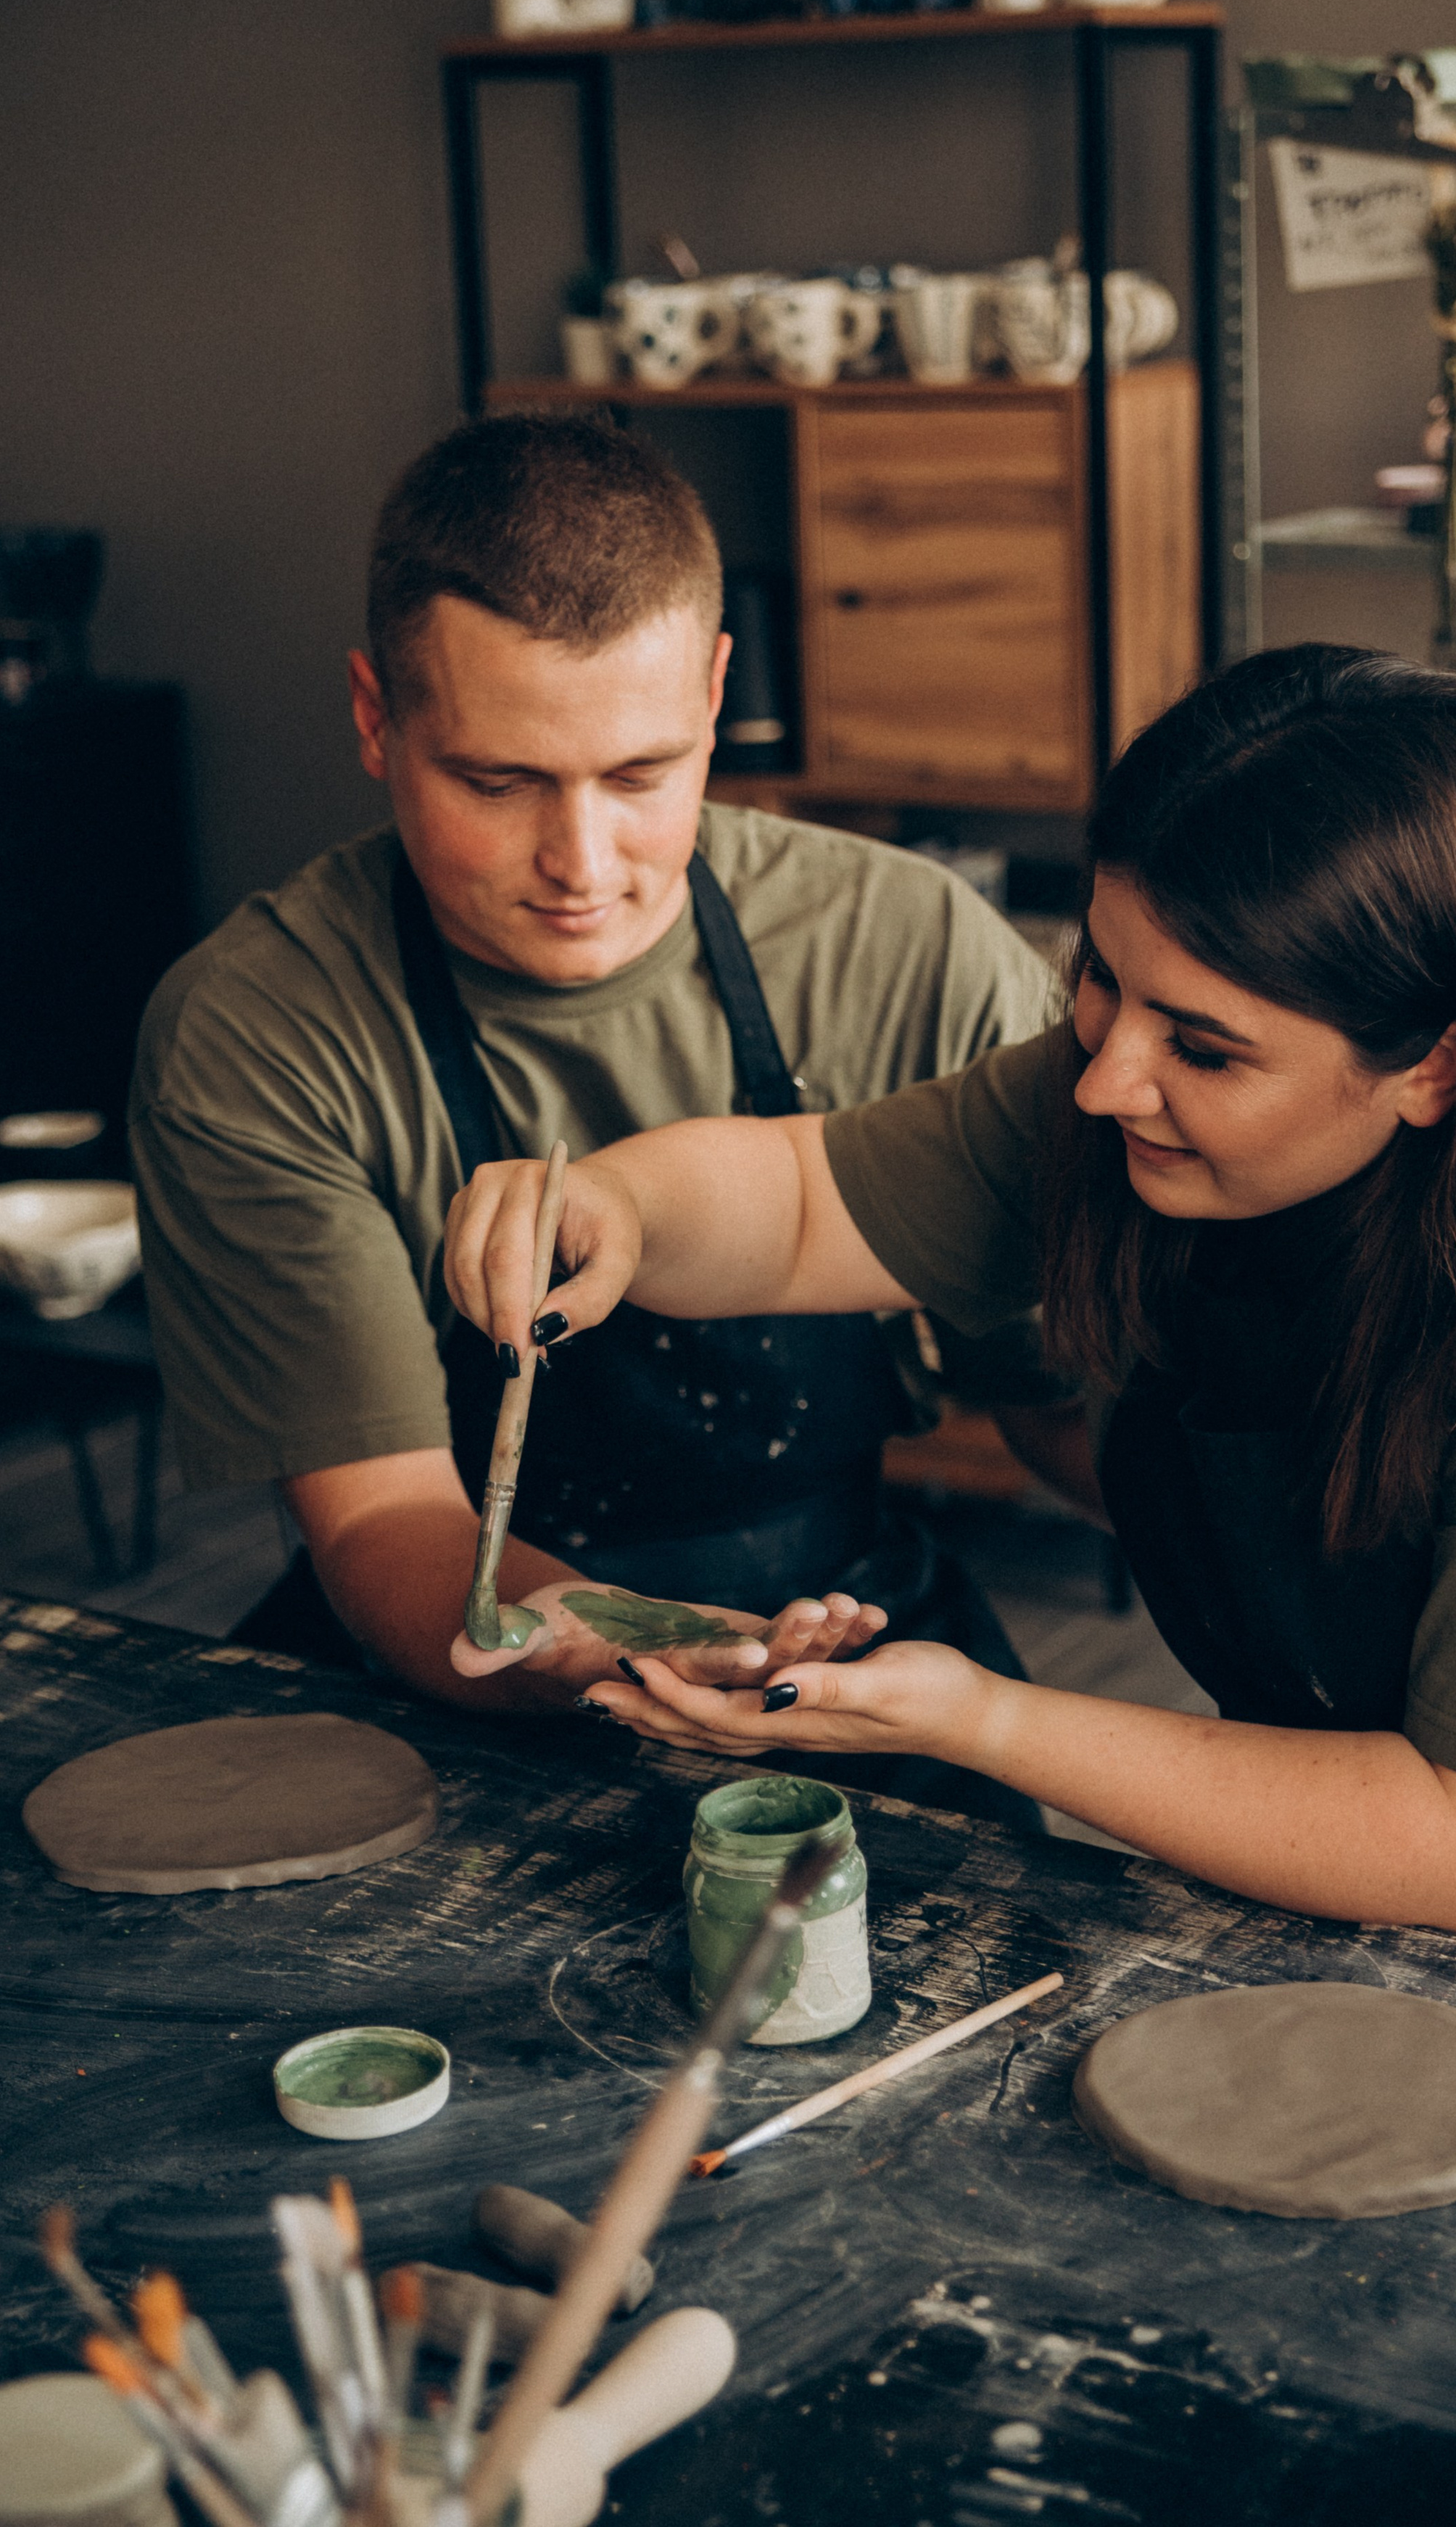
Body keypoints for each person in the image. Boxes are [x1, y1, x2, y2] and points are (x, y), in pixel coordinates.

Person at [445, 643, 1456, 1977]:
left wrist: (979, 1720)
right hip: (1339, 1880)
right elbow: (803, 1201)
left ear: (1435, 1064)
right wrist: (619, 1206)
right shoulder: (1135, 1079)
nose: (1105, 1081)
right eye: (1102, 977)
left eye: (1202, 1047)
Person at [129, 411, 1064, 1750]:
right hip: (464, 1667)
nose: (584, 860)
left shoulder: (903, 948)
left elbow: (1056, 1396)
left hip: (851, 1643)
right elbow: (391, 1521)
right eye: (498, 782)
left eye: (643, 774)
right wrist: (633, 1643)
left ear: (715, 695)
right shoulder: (258, 1030)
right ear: (374, 718)